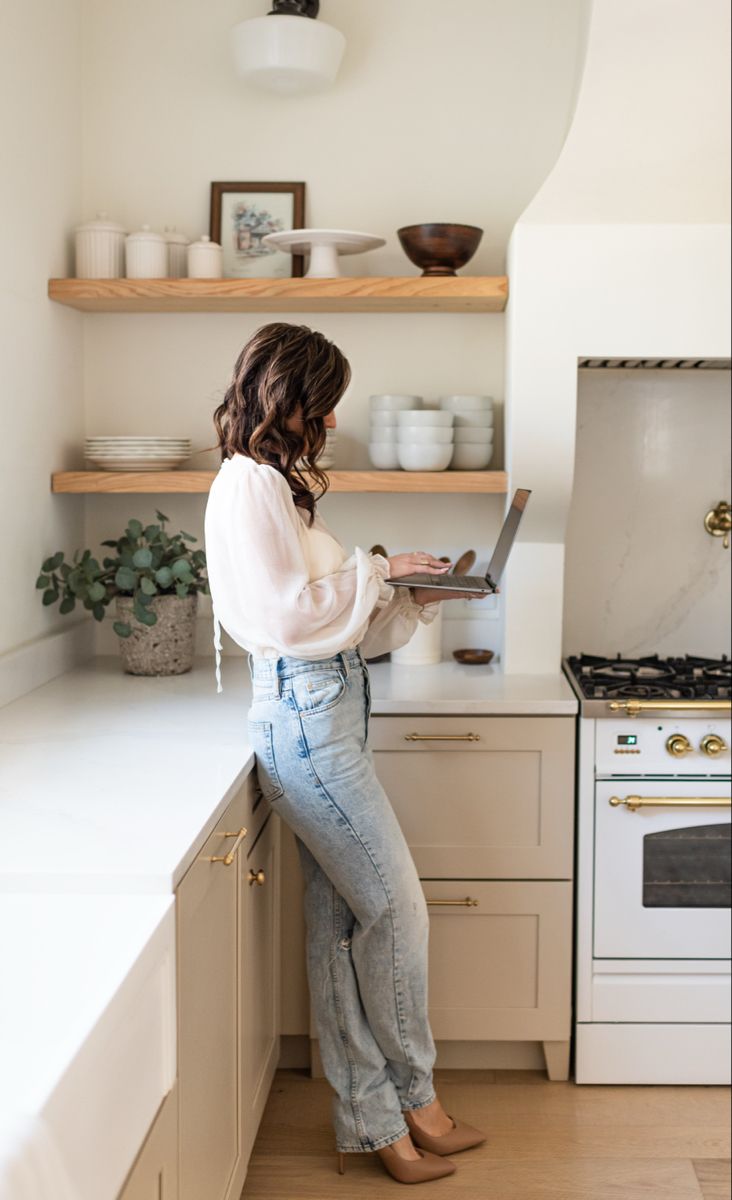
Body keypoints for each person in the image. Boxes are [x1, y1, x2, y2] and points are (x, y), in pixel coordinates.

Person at [204, 322, 488, 1186]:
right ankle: (416, 1100)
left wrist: (406, 592)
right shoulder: (248, 484)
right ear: (288, 394)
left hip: (326, 715)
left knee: (339, 931)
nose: (328, 423)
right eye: (322, 403)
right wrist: (378, 565)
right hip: (306, 723)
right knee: (398, 912)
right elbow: (293, 619)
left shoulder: (276, 492)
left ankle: (373, 1127)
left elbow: (336, 628)